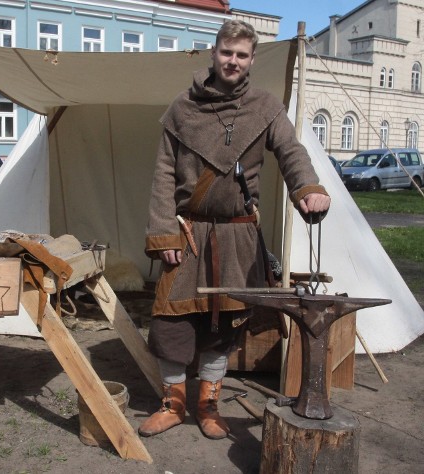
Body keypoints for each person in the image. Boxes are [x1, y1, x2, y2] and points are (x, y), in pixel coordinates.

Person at [140, 20, 331, 440]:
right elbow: (163, 175)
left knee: (223, 326)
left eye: (242, 55)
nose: (233, 61)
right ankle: (173, 402)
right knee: (170, 320)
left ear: (251, 60)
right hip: (188, 234)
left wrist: (308, 188)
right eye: (227, 52)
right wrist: (164, 234)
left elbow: (291, 152)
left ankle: (208, 404)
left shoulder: (265, 107)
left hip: (238, 236)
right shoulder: (181, 108)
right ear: (214, 52)